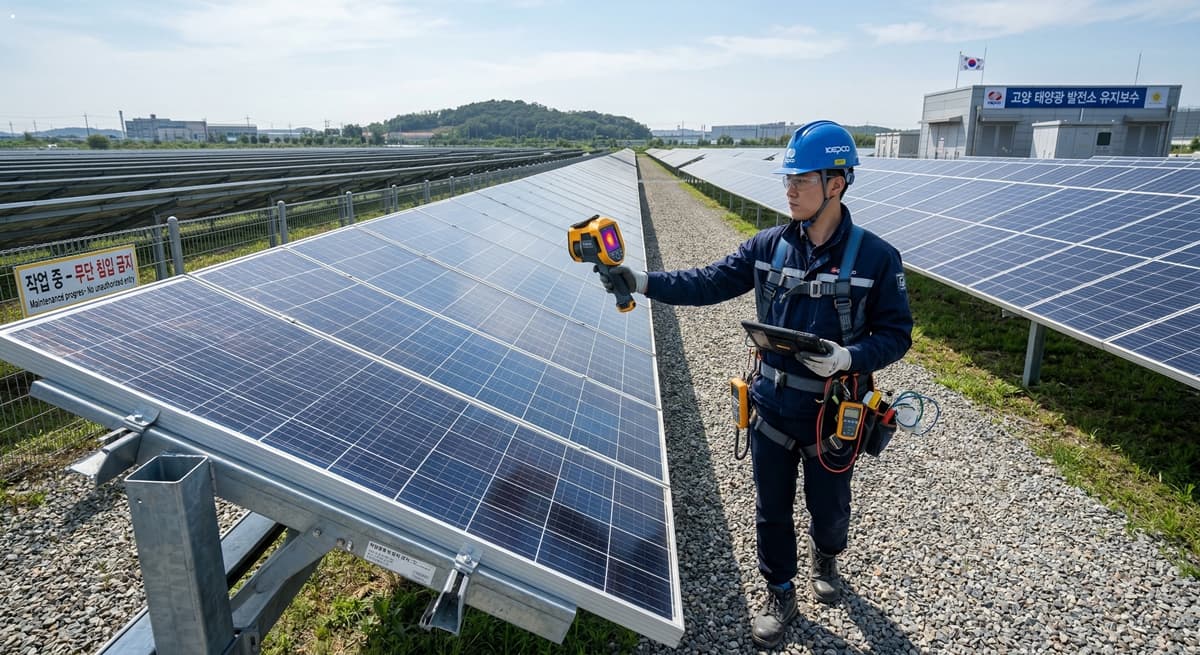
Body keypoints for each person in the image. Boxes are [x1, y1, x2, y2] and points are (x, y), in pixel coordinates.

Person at [604, 120, 913, 648]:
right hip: (771, 406)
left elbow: (896, 334)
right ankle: (781, 591)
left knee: (830, 508)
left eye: (802, 179)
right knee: (771, 508)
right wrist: (644, 281)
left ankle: (827, 557)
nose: (789, 189)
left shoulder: (877, 258)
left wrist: (848, 356)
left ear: (836, 183)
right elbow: (708, 280)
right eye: (786, 179)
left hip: (833, 416)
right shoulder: (768, 246)